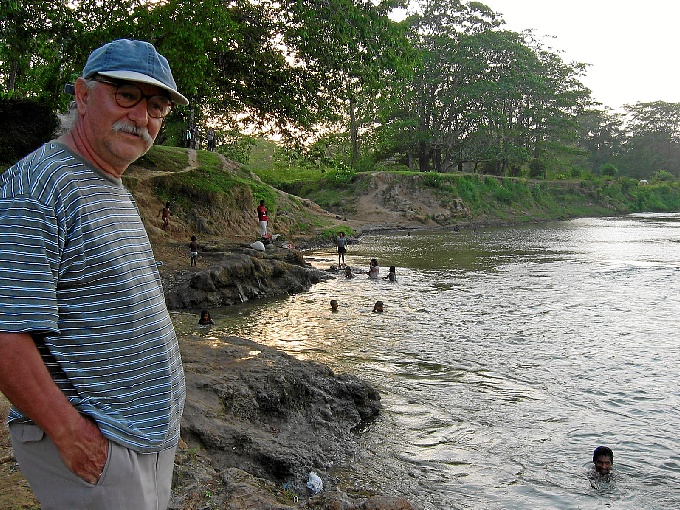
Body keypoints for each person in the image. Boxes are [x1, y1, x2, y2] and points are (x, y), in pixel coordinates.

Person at [0, 39, 188, 509]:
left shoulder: (106, 179)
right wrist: (70, 434)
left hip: (137, 437)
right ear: (83, 96)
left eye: (157, 105)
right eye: (126, 95)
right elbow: (5, 331)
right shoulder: (38, 187)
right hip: (98, 444)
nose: (142, 116)